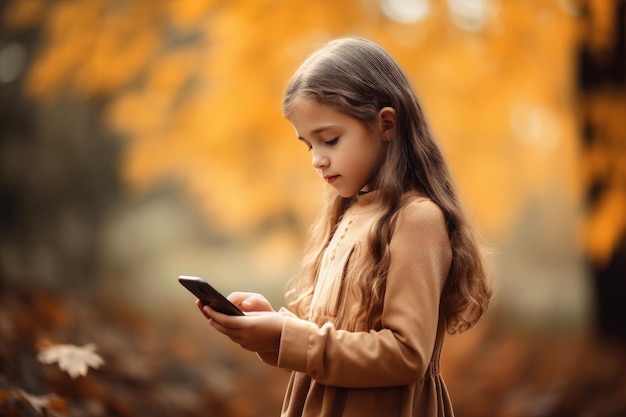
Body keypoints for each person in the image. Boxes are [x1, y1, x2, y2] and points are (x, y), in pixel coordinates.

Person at [196, 36, 492, 417]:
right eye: (309, 145)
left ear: (386, 125)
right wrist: (272, 331)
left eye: (330, 140)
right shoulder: (350, 213)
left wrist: (287, 336)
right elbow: (337, 338)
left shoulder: (417, 220)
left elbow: (405, 355)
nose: (318, 160)